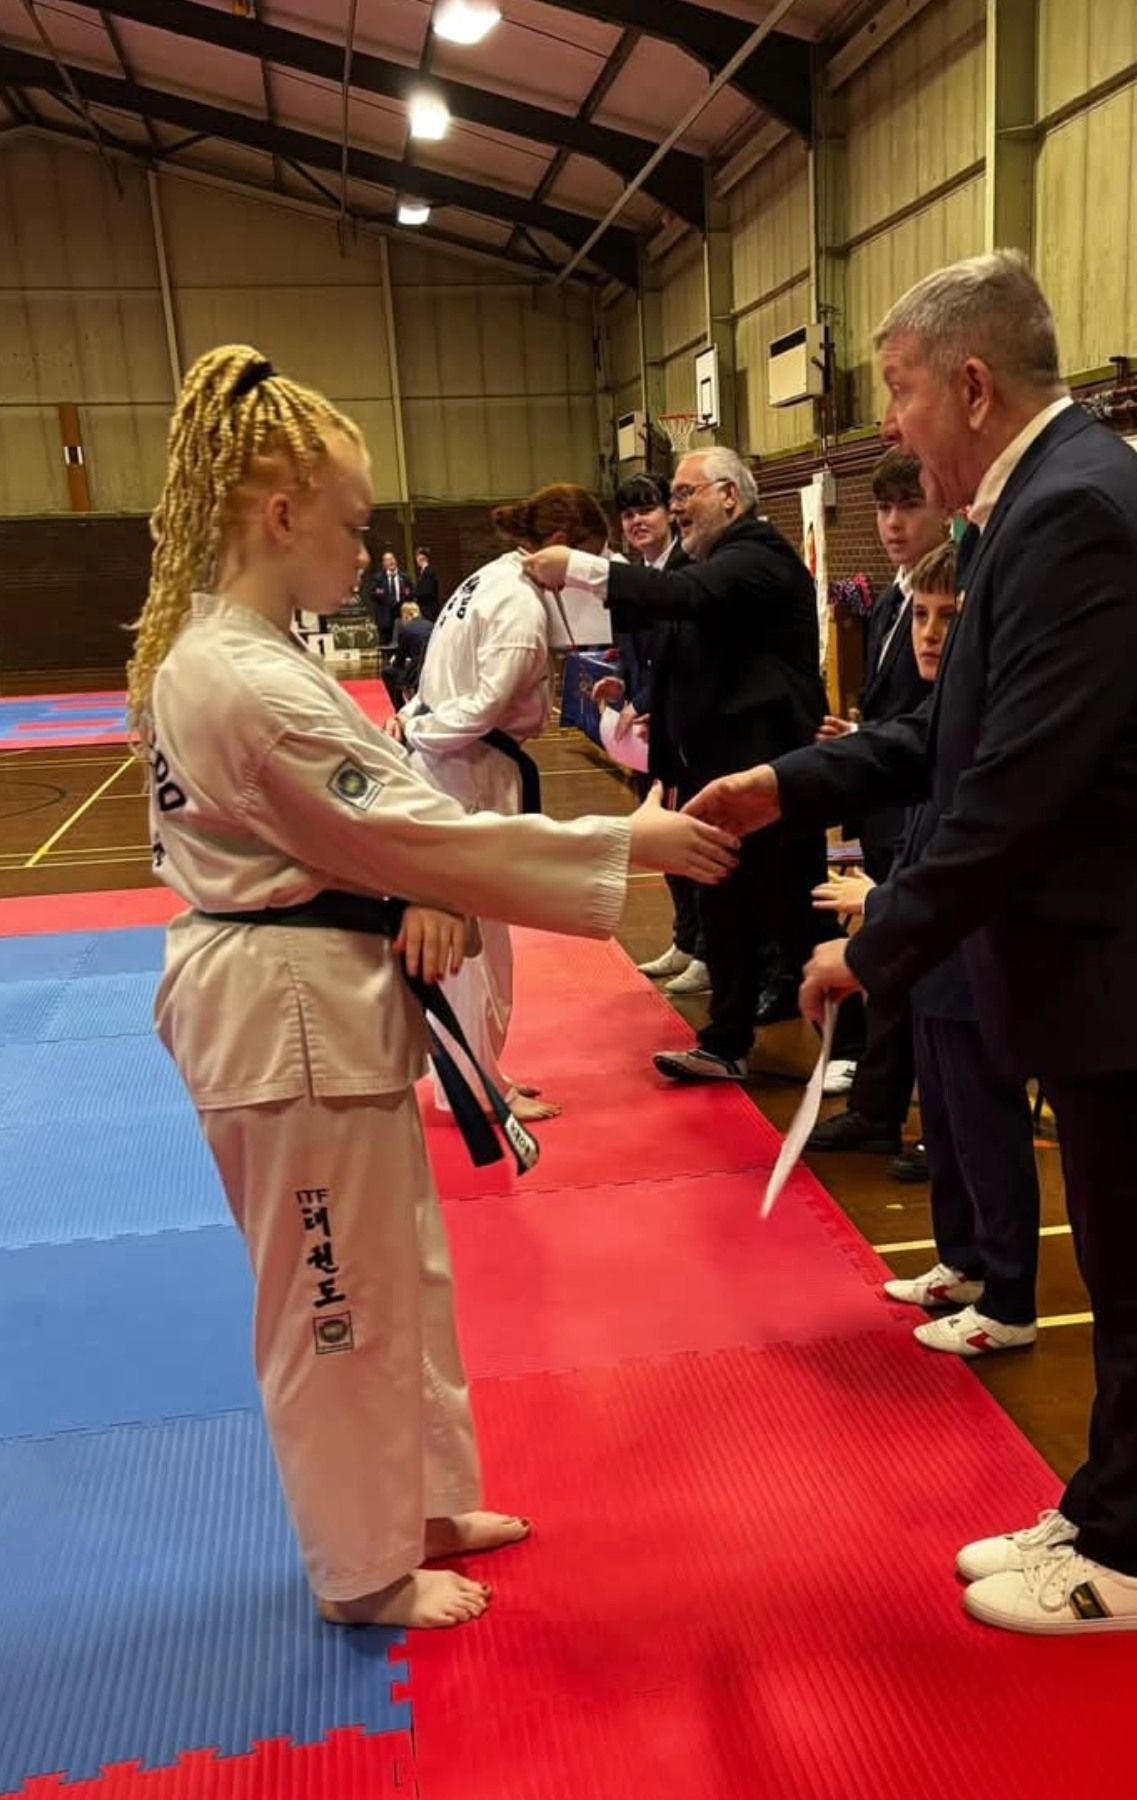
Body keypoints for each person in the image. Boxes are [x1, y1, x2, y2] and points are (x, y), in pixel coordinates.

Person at [684, 252, 1137, 1635]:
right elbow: (943, 741)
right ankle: (1100, 1507)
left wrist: (875, 943)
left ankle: (1131, 1557)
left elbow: (1018, 790)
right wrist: (791, 782)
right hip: (1115, 958)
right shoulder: (1036, 509)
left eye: (900, 391)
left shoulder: (1075, 513)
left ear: (971, 384)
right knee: (1129, 1265)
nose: (891, 425)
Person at [131, 343, 736, 1633]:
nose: (366, 555)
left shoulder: (253, 653)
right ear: (280, 513)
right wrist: (630, 842)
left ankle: (411, 1499)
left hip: (323, 1002)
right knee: (332, 1299)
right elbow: (416, 833)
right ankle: (360, 1566)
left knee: (397, 1271)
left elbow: (382, 833)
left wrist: (422, 884)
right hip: (279, 1022)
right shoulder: (240, 675)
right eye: (351, 527)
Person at [525, 447, 830, 1084]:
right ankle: (725, 1042)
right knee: (723, 908)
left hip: (770, 776)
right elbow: (670, 653)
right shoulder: (707, 566)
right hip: (715, 777)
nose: (677, 507)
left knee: (792, 911)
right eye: (676, 496)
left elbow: (681, 595)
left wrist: (581, 567)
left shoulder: (756, 557)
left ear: (730, 496)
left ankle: (846, 1049)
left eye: (687, 494)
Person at [813, 541, 1041, 1357]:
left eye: (953, 617)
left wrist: (879, 902)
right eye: (923, 615)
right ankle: (964, 1261)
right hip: (930, 955)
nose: (932, 633)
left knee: (985, 1122)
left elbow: (973, 854)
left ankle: (1010, 1297)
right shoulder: (938, 712)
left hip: (978, 954)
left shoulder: (997, 721)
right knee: (941, 1118)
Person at [391, 483, 607, 1124]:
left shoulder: (490, 579)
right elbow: (482, 704)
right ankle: (475, 1086)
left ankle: (476, 1073)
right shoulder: (520, 606)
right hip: (466, 772)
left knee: (473, 936)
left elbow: (440, 677)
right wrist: (420, 728)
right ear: (564, 547)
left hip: (455, 766)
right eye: (590, 564)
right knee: (474, 944)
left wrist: (411, 718)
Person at [810, 448, 949, 1144]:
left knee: (923, 973)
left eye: (909, 507)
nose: (893, 524)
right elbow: (905, 708)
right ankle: (881, 1104)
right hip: (893, 804)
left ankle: (913, 1114)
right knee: (895, 968)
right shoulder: (895, 597)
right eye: (884, 509)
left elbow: (939, 717)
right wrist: (861, 733)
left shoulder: (956, 590)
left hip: (927, 808)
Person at [600, 473, 711, 1001]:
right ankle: (684, 938)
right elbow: (638, 655)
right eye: (627, 515)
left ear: (669, 513)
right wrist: (622, 685)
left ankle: (707, 948)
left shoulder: (686, 573)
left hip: (685, 728)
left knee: (693, 840)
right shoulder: (633, 581)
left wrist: (646, 702)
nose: (637, 521)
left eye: (647, 509)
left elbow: (685, 662)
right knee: (664, 839)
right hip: (651, 733)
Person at [381, 599, 433, 711]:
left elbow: (400, 659)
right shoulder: (432, 626)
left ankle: (400, 708)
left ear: (406, 615)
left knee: (388, 673)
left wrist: (394, 663)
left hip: (416, 674)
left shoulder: (407, 630)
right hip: (432, 669)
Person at [368, 548, 412, 645]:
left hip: (401, 616)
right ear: (384, 564)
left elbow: (410, 594)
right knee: (386, 643)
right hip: (385, 617)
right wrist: (382, 594)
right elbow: (373, 593)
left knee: (403, 642)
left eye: (392, 558)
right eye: (387, 560)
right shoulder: (378, 578)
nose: (391, 561)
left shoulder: (404, 578)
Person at [414, 546, 440, 621]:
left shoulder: (428, 572)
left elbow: (427, 592)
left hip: (429, 609)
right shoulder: (424, 572)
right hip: (426, 608)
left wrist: (415, 594)